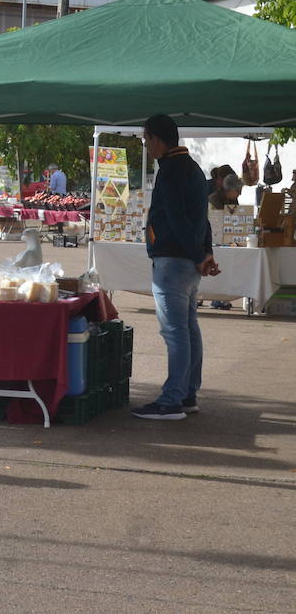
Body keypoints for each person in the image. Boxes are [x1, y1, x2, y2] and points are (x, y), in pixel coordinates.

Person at [132, 114, 220, 421]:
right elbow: (201, 219)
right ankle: (187, 394)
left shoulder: (170, 170)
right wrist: (204, 253)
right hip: (188, 262)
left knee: (176, 332)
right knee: (187, 329)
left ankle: (172, 400)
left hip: (173, 260)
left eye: (146, 140)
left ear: (157, 139)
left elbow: (177, 218)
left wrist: (200, 254)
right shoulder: (194, 169)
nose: (146, 146)